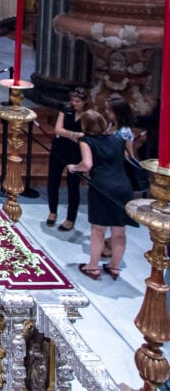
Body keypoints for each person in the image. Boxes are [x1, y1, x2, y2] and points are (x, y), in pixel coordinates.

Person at [70, 109, 137, 280]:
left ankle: (92, 267)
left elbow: (87, 164)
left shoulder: (86, 140)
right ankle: (114, 266)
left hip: (102, 187)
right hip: (124, 186)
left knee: (98, 229)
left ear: (85, 125)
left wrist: (74, 168)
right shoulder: (118, 138)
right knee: (119, 231)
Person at [46, 87, 90, 231]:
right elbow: (58, 130)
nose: (74, 103)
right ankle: (52, 211)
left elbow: (86, 135)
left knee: (73, 187)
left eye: (78, 101)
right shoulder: (66, 110)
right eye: (73, 100)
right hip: (59, 149)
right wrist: (75, 135)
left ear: (85, 102)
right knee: (53, 181)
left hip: (76, 154)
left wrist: (68, 134)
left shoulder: (89, 116)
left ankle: (70, 219)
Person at [104, 96, 147, 196]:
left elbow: (128, 155)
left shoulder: (124, 132)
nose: (106, 112)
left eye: (109, 110)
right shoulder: (111, 125)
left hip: (117, 172)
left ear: (118, 113)